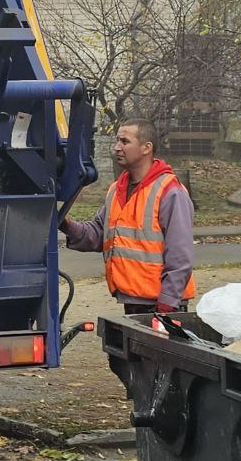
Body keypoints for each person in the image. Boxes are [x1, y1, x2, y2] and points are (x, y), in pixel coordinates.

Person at [60, 118, 196, 315]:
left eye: (125, 142)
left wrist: (167, 305)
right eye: (117, 141)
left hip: (163, 306)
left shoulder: (170, 191)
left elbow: (180, 256)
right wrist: (64, 223)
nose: (117, 147)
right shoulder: (117, 190)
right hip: (134, 302)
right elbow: (98, 235)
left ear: (146, 147)